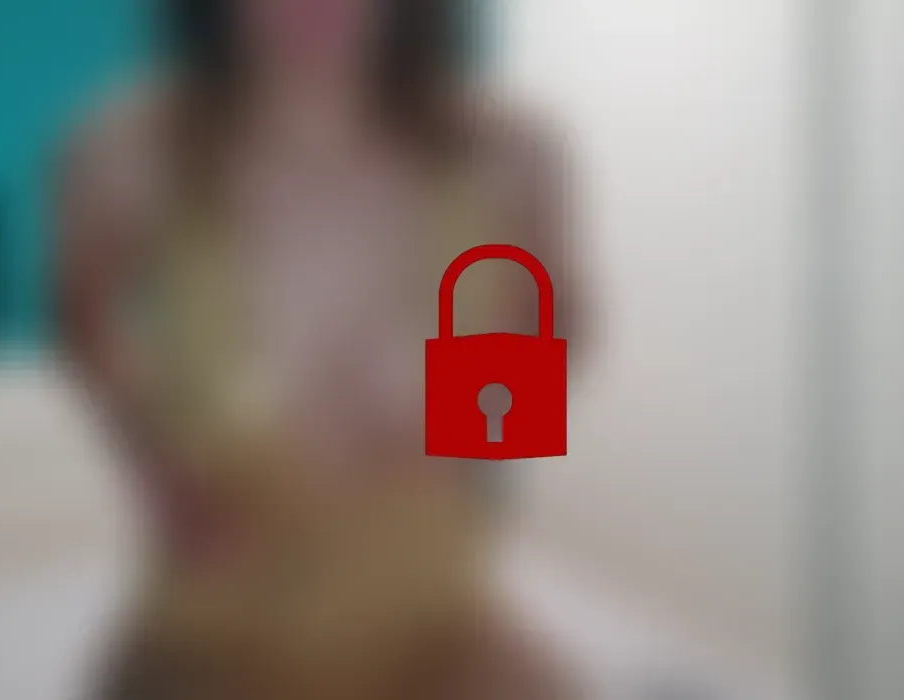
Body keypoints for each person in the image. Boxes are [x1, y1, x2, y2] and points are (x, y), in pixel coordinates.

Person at [56, 0, 589, 698]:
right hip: (208, 634)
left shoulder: (509, 154)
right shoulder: (130, 150)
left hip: (434, 622)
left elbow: (559, 320)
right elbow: (82, 318)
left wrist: (474, 441)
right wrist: (151, 460)